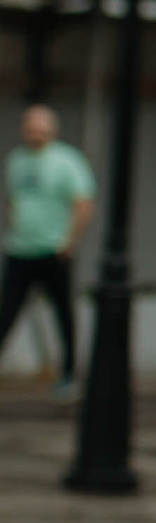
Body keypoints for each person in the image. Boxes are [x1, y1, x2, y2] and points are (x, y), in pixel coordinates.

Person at [1, 105, 96, 399]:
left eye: (41, 128)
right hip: (19, 250)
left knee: (63, 313)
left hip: (54, 252)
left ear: (52, 130)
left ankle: (68, 373)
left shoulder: (67, 161)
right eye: (31, 127)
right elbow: (13, 201)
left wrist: (69, 243)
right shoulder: (15, 160)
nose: (36, 133)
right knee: (6, 312)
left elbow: (83, 204)